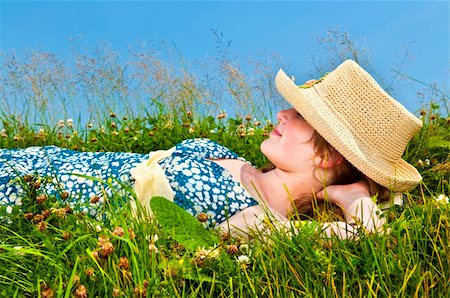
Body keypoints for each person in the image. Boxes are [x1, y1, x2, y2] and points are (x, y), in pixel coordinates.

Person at [0, 60, 422, 239]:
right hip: (39, 161)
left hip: (25, 196)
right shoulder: (223, 152)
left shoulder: (259, 221)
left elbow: (366, 234)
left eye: (301, 116)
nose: (282, 114)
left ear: (326, 156)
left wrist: (354, 196)